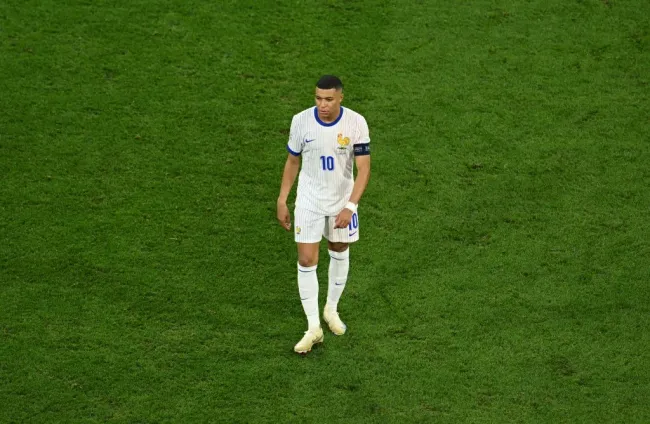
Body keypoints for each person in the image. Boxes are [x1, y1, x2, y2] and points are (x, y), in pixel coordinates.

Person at [276, 75, 371, 354]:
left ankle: (331, 309)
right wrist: (283, 198)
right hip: (309, 200)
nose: (322, 104)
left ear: (340, 97)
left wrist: (350, 206)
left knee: (339, 248)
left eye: (328, 99)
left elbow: (364, 169)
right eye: (318, 98)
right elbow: (293, 161)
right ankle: (313, 326)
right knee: (306, 258)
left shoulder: (356, 122)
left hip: (342, 200)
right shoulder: (301, 121)